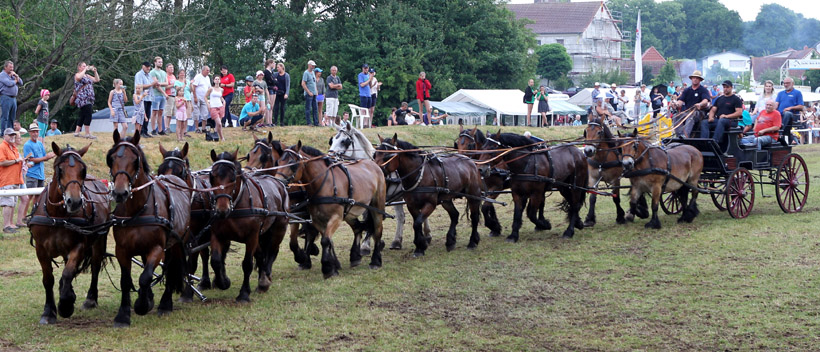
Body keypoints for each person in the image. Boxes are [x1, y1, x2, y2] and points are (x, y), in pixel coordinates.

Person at [22, 123, 54, 218]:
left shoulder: (40, 144)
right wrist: (46, 157)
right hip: (32, 174)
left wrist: (51, 155)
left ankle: (34, 214)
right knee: (29, 196)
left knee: (38, 196)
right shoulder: (27, 145)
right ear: (30, 133)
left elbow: (44, 157)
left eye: (37, 131)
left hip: (40, 174)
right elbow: (31, 159)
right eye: (33, 132)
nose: (35, 133)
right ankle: (23, 216)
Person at [673, 70, 710, 138]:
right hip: (687, 112)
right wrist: (676, 104)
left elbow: (706, 101)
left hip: (699, 113)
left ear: (700, 80)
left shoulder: (703, 90)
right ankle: (679, 135)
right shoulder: (687, 90)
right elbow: (680, 101)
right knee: (676, 116)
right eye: (694, 78)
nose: (695, 79)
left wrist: (700, 104)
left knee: (691, 115)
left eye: (697, 78)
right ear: (691, 79)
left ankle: (686, 136)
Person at [0, 128, 23, 233]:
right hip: (6, 179)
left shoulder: (13, 147)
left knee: (13, 203)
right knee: (7, 203)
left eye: (13, 135)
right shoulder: (2, 146)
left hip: (15, 179)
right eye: (10, 135)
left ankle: (11, 224)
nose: (12, 137)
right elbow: (2, 162)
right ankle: (6, 226)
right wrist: (15, 161)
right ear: (4, 136)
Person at [72, 62, 100, 139]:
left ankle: (77, 132)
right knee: (88, 114)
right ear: (79, 67)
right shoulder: (77, 75)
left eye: (85, 66)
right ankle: (87, 133)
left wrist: (95, 71)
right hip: (82, 98)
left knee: (83, 115)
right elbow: (78, 78)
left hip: (89, 97)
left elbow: (97, 79)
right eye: (83, 66)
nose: (85, 67)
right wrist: (85, 70)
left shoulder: (87, 76)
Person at [775, 77, 804, 144]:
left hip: (792, 115)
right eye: (784, 83)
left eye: (787, 83)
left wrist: (790, 108)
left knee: (787, 114)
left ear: (792, 83)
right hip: (780, 115)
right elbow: (776, 104)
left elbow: (801, 106)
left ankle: (781, 131)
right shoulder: (780, 93)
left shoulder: (797, 93)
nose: (785, 85)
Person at [148, 57, 168, 135]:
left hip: (162, 95)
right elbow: (155, 84)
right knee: (154, 112)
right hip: (156, 94)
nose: (160, 63)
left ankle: (160, 130)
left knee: (161, 112)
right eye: (159, 62)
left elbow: (166, 83)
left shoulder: (163, 72)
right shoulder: (152, 72)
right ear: (155, 62)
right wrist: (164, 93)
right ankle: (153, 129)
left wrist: (160, 83)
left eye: (161, 62)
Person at [0, 61, 22, 133]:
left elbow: (21, 82)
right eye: (10, 67)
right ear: (5, 67)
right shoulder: (2, 75)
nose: (12, 69)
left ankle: (10, 132)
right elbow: (9, 83)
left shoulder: (13, 75)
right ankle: (3, 133)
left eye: (12, 67)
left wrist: (16, 76)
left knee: (12, 117)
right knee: (5, 117)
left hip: (13, 98)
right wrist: (15, 81)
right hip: (5, 97)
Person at [133, 61, 153, 137]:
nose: (148, 68)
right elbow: (140, 86)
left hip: (149, 97)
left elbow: (151, 85)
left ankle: (145, 131)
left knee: (147, 115)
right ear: (143, 66)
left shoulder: (149, 75)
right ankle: (140, 132)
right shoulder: (139, 75)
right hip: (141, 97)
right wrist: (151, 84)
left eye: (149, 67)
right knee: (140, 115)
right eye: (147, 66)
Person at [191, 65, 211, 133]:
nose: (208, 72)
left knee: (205, 113)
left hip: (204, 97)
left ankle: (203, 128)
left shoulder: (208, 78)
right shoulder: (198, 76)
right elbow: (194, 86)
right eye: (207, 70)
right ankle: (196, 128)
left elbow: (209, 88)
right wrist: (195, 97)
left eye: (209, 70)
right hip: (197, 96)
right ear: (203, 70)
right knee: (196, 112)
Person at [205, 75, 225, 141]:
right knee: (218, 122)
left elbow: (220, 97)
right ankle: (222, 137)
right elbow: (205, 97)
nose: (217, 80)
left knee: (219, 124)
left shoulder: (221, 89)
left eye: (218, 79)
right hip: (213, 107)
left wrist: (224, 101)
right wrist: (208, 104)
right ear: (213, 80)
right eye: (216, 79)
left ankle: (217, 136)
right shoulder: (211, 89)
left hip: (220, 106)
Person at [161, 63, 177, 135]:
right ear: (166, 68)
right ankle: (166, 127)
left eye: (172, 68)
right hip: (168, 95)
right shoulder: (165, 76)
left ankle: (168, 127)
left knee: (171, 113)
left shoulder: (173, 76)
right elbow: (165, 87)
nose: (172, 69)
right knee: (167, 112)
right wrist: (172, 85)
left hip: (174, 95)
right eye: (170, 68)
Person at [301, 60, 318, 126]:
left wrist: (316, 90)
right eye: (312, 65)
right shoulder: (306, 73)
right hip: (309, 94)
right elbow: (303, 83)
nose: (313, 66)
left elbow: (314, 82)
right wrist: (308, 92)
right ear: (309, 65)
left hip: (314, 93)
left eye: (314, 65)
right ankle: (309, 122)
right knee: (308, 108)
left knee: (315, 108)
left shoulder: (313, 73)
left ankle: (316, 122)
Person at [263, 59, 278, 127]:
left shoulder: (271, 72)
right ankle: (268, 122)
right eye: (273, 63)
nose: (274, 64)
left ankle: (271, 121)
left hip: (273, 88)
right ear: (270, 63)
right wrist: (274, 80)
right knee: (269, 105)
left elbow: (275, 80)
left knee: (272, 106)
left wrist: (274, 80)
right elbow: (271, 80)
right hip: (270, 88)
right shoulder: (266, 72)